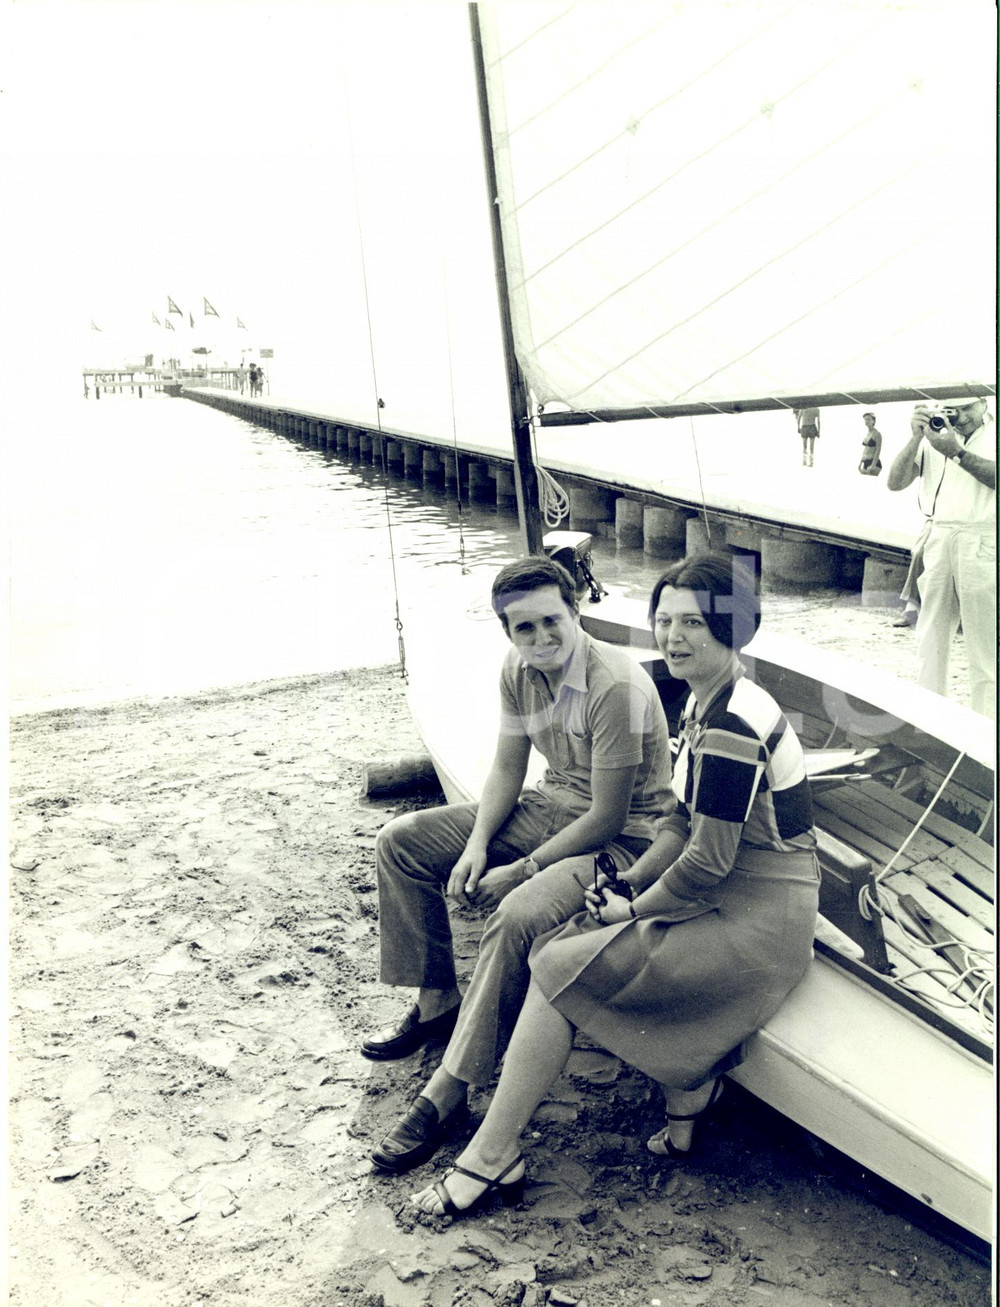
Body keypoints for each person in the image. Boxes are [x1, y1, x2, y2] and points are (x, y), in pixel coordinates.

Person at [408, 551, 820, 1219]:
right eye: (663, 620)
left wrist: (633, 906)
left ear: (734, 625)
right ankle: (689, 1097)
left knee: (558, 967)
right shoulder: (709, 701)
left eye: (693, 621)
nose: (673, 637)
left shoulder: (732, 726)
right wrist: (627, 879)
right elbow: (677, 825)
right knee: (569, 941)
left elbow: (707, 864)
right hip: (729, 892)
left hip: (755, 916)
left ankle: (489, 1156)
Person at [364, 556, 674, 1174]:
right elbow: (509, 768)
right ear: (507, 632)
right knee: (400, 843)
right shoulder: (519, 669)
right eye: (522, 628)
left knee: (516, 913)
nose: (540, 639)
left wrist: (523, 869)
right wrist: (478, 843)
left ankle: (452, 1086)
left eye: (551, 622)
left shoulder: (615, 684)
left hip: (626, 840)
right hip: (551, 804)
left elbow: (609, 817)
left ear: (576, 609)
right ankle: (436, 1001)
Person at [886, 397, 995, 717]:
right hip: (939, 534)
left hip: (985, 534)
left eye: (964, 409)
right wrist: (916, 437)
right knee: (930, 633)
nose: (958, 417)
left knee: (984, 640)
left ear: (982, 402)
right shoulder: (933, 435)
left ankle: (986, 727)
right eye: (950, 411)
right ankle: (929, 718)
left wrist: (957, 453)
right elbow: (895, 483)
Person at [858, 411, 883, 476]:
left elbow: (878, 449)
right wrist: (860, 463)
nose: (866, 421)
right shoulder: (867, 434)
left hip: (873, 463)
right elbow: (866, 449)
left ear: (873, 421)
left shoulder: (877, 434)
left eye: (869, 419)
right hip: (865, 463)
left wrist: (873, 465)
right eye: (865, 419)